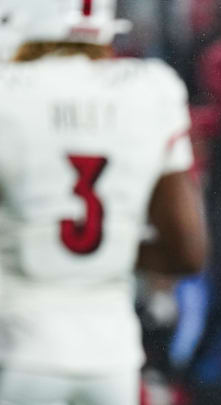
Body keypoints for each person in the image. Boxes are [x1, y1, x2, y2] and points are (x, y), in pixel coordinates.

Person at [0, 1, 208, 404]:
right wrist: (110, 246)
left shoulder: (10, 94)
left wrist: (41, 241)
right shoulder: (149, 90)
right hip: (113, 363)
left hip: (20, 352)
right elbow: (187, 251)